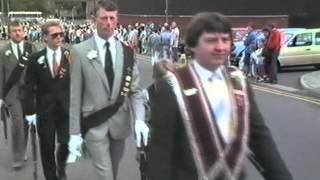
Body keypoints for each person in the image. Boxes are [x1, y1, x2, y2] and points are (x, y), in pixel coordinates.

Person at [147, 12, 293, 180]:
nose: (220, 47)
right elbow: (161, 151)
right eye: (211, 40)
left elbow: (260, 138)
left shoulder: (239, 82)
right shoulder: (170, 87)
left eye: (225, 40)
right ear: (193, 45)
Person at [69, 1, 149, 180]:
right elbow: (75, 95)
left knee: (112, 171)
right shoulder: (80, 51)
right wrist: (74, 132)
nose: (108, 23)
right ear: (94, 20)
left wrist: (140, 120)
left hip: (119, 125)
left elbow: (135, 91)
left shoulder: (127, 52)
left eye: (112, 18)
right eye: (104, 18)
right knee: (105, 174)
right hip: (93, 125)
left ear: (117, 20)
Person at [24, 21, 70, 180]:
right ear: (45, 37)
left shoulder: (69, 56)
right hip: (45, 111)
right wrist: (30, 111)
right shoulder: (35, 59)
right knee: (47, 148)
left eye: (61, 34)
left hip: (65, 110)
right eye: (54, 35)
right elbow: (28, 87)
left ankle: (61, 165)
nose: (59, 38)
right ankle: (51, 177)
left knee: (66, 143)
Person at [0, 20, 36, 169]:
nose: (17, 33)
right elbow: (1, 75)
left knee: (26, 123)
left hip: (29, 93)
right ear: (9, 32)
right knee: (17, 124)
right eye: (14, 30)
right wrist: (1, 97)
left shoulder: (31, 48)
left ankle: (22, 149)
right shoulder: (3, 51)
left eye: (19, 30)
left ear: (24, 31)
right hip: (12, 94)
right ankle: (18, 156)